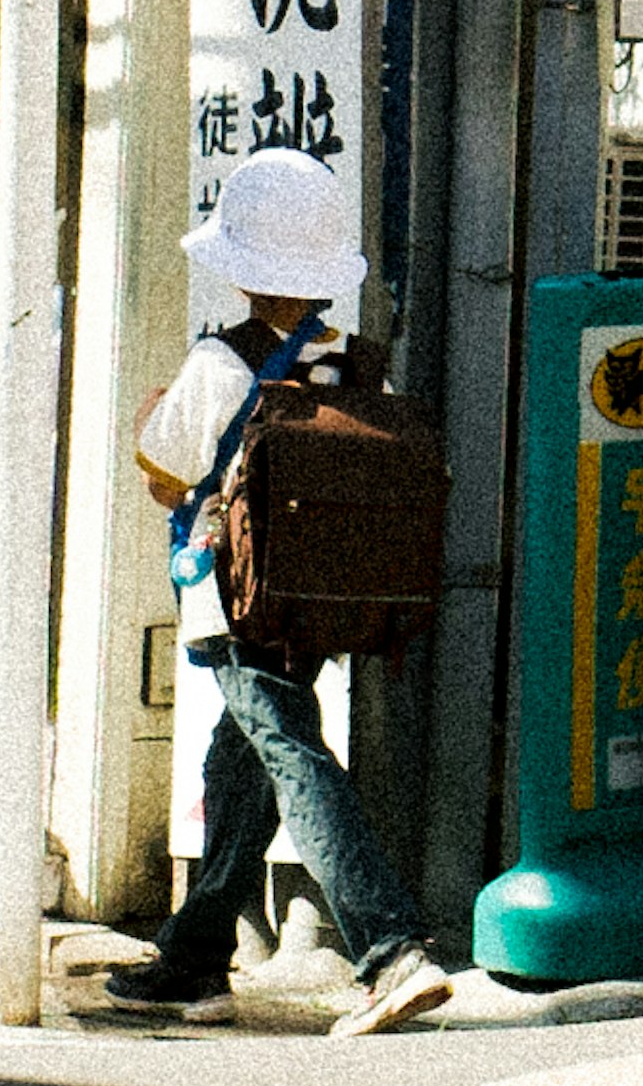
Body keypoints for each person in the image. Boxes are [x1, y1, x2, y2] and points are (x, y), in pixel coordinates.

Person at [99, 150, 451, 1036]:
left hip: (233, 597)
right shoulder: (353, 365)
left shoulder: (224, 360)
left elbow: (164, 472)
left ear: (243, 270)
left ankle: (391, 953)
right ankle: (193, 961)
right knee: (243, 762)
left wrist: (154, 416)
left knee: (290, 755)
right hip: (317, 595)